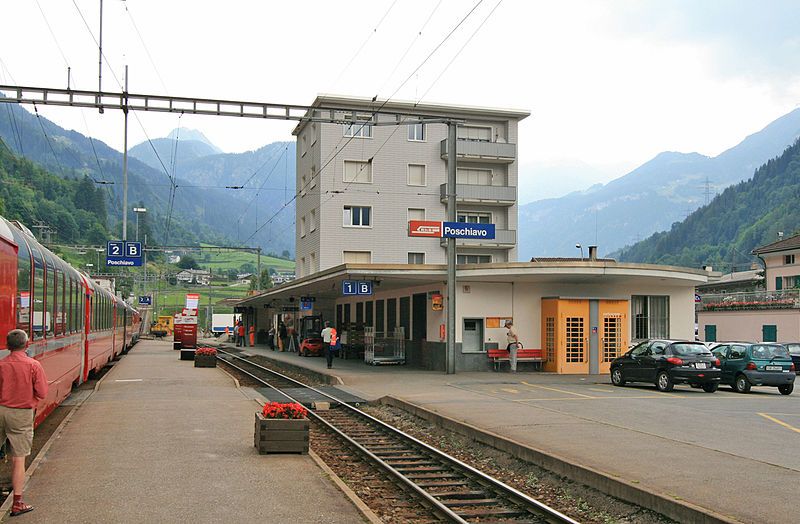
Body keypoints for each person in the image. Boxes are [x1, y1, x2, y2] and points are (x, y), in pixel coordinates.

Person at [1, 329, 48, 517]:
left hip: (0, 410)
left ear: (7, 346)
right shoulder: (33, 366)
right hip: (21, 414)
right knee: (18, 458)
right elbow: (43, 392)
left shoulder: (1, 365)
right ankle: (17, 503)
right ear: (26, 345)